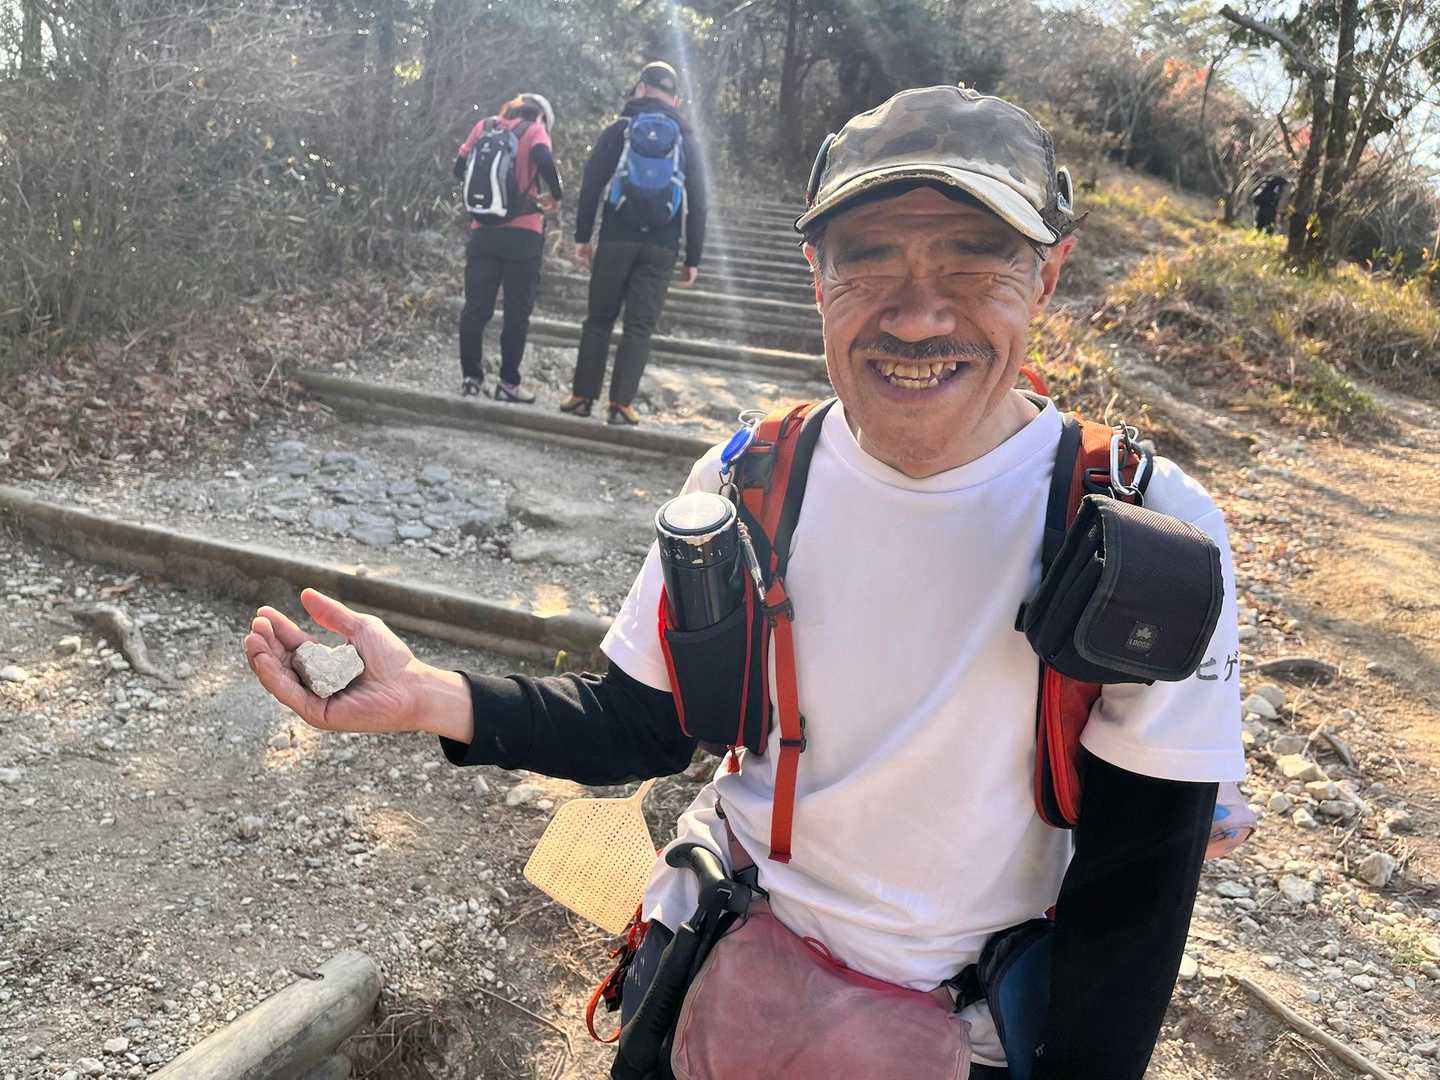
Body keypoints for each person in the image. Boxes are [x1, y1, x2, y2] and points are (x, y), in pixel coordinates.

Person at [245, 86, 1243, 1079]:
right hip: (719, 976)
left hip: (966, 1037)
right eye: (869, 258)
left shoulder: (1149, 532)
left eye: (974, 258)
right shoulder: (748, 480)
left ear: (1048, 275)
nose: (918, 312)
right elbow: (640, 724)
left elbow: (1137, 889)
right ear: (818, 277)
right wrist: (430, 697)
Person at [558, 61, 708, 426]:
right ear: (675, 99)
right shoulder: (685, 137)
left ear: (640, 88)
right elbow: (699, 199)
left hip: (616, 238)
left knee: (599, 319)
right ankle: (621, 405)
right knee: (639, 326)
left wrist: (582, 238)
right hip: (662, 245)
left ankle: (582, 398)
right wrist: (693, 257)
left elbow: (592, 184)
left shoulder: (621, 128)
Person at [453, 92, 563, 402]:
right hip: (524, 234)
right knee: (516, 312)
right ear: (542, 116)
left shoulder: (485, 126)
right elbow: (543, 159)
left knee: (475, 308)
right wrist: (555, 195)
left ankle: (471, 379)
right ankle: (508, 385)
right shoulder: (535, 130)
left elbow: (459, 169)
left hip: (483, 232)